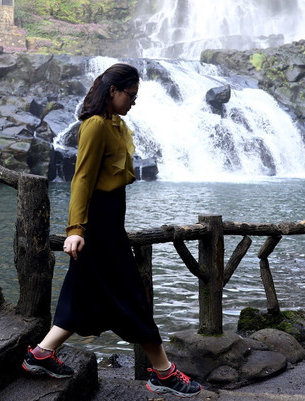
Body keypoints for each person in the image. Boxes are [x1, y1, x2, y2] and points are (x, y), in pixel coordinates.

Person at [21, 63, 201, 398]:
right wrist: (76, 229)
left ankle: (41, 355)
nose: (133, 101)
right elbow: (82, 178)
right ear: (112, 91)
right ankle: (163, 372)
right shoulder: (94, 126)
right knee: (132, 294)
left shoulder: (115, 124)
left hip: (110, 219)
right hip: (99, 226)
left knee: (81, 293)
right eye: (129, 95)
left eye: (135, 95)